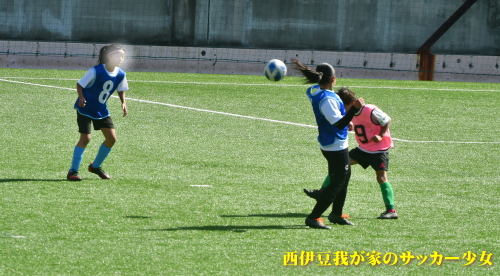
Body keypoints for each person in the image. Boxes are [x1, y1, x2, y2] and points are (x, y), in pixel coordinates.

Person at [304, 87, 398, 219]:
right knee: (340, 167)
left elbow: (387, 120)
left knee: (381, 178)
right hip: (363, 149)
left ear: (351, 103)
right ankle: (321, 192)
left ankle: (391, 211)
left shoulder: (369, 110)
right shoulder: (351, 113)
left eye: (343, 106)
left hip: (379, 150)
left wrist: (381, 135)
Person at [292, 59, 364, 229]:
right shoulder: (327, 100)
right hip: (334, 146)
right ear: (333, 79)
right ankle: (314, 217)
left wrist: (346, 122)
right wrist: (354, 109)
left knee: (345, 177)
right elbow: (337, 124)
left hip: (334, 143)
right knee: (337, 183)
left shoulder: (315, 91)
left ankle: (336, 214)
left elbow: (339, 121)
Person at [66, 44, 129, 181]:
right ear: (109, 56)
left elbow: (121, 88)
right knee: (85, 139)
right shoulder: (96, 71)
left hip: (101, 110)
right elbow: (80, 84)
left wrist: (123, 103)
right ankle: (73, 171)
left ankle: (95, 166)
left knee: (112, 139)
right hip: (86, 109)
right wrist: (81, 98)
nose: (121, 59)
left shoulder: (121, 74)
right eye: (118, 55)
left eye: (123, 56)